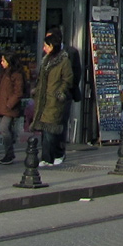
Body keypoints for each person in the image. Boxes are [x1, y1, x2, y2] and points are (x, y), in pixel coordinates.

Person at [31, 32, 73, 166]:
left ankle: (49, 157)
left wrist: (60, 92)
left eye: (46, 46)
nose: (44, 48)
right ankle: (49, 156)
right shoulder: (46, 60)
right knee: (46, 129)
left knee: (50, 130)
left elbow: (68, 79)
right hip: (43, 100)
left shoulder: (64, 61)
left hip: (54, 100)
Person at [45, 27, 81, 161]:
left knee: (60, 123)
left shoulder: (70, 53)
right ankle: (48, 154)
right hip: (49, 96)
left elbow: (76, 74)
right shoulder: (47, 53)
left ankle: (59, 152)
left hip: (63, 95)